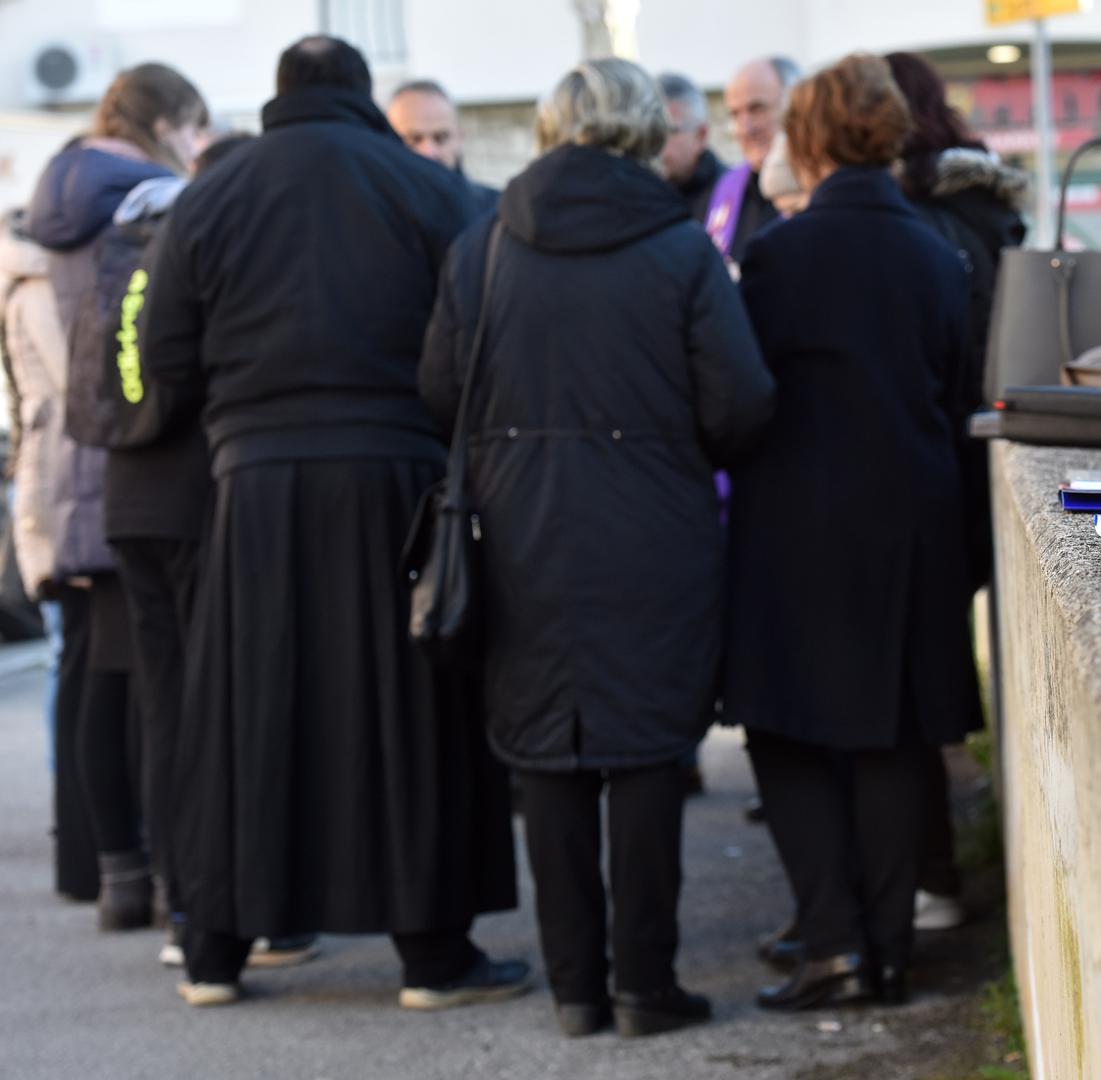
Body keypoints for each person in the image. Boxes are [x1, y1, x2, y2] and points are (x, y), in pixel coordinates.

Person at [136, 35, 523, 1009]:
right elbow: (479, 336)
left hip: (254, 486)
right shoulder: (428, 189)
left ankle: (218, 951)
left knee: (244, 714)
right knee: (409, 712)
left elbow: (163, 354)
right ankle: (432, 956)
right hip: (398, 475)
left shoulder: (209, 197)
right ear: (361, 99)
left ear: (278, 99)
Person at [421, 56, 774, 1039]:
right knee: (651, 751)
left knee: (546, 753)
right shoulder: (678, 249)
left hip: (518, 529)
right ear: (643, 132)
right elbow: (740, 402)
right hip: (653, 529)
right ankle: (644, 986)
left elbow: (440, 392)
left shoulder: (482, 246)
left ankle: (576, 987)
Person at [727, 54, 982, 1011]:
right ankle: (886, 951)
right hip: (913, 514)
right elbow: (954, 387)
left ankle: (830, 937)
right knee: (892, 733)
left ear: (811, 137)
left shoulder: (779, 254)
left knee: (783, 726)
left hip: (796, 514)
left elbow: (745, 393)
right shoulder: (934, 253)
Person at [26, 62, 210, 931]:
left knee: (97, 677)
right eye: (194, 126)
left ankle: (117, 877)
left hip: (69, 469)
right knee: (154, 687)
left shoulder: (43, 212)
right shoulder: (150, 203)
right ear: (166, 122)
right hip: (142, 460)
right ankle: (171, 882)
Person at [92, 132, 259, 970]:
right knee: (218, 709)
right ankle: (216, 902)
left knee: (163, 710)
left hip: (130, 501)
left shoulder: (130, 243)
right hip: (195, 501)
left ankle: (178, 899)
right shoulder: (208, 245)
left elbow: (116, 384)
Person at [885, 50, 1025, 934]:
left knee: (907, 676)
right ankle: (935, 868)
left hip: (926, 456)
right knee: (934, 665)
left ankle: (929, 876)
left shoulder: (908, 220)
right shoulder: (991, 209)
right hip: (990, 443)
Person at [0, 209, 98, 903]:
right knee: (71, 653)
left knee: (72, 654)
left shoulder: (25, 282)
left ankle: (79, 819)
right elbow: (73, 390)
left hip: (54, 490)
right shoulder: (35, 287)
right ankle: (77, 816)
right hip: (61, 492)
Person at [711, 56, 799, 267]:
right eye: (735, 114)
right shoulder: (725, 187)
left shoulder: (820, 188)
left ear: (795, 108)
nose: (745, 128)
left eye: (757, 109)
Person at [387, 79, 501, 212]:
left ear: (460, 137)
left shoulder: (495, 212)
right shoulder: (374, 215)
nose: (429, 152)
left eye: (440, 138)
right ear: (388, 141)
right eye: (414, 140)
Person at [657, 72, 722, 223]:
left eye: (668, 131)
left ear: (701, 135)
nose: (655, 143)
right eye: (652, 130)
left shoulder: (737, 195)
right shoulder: (642, 194)